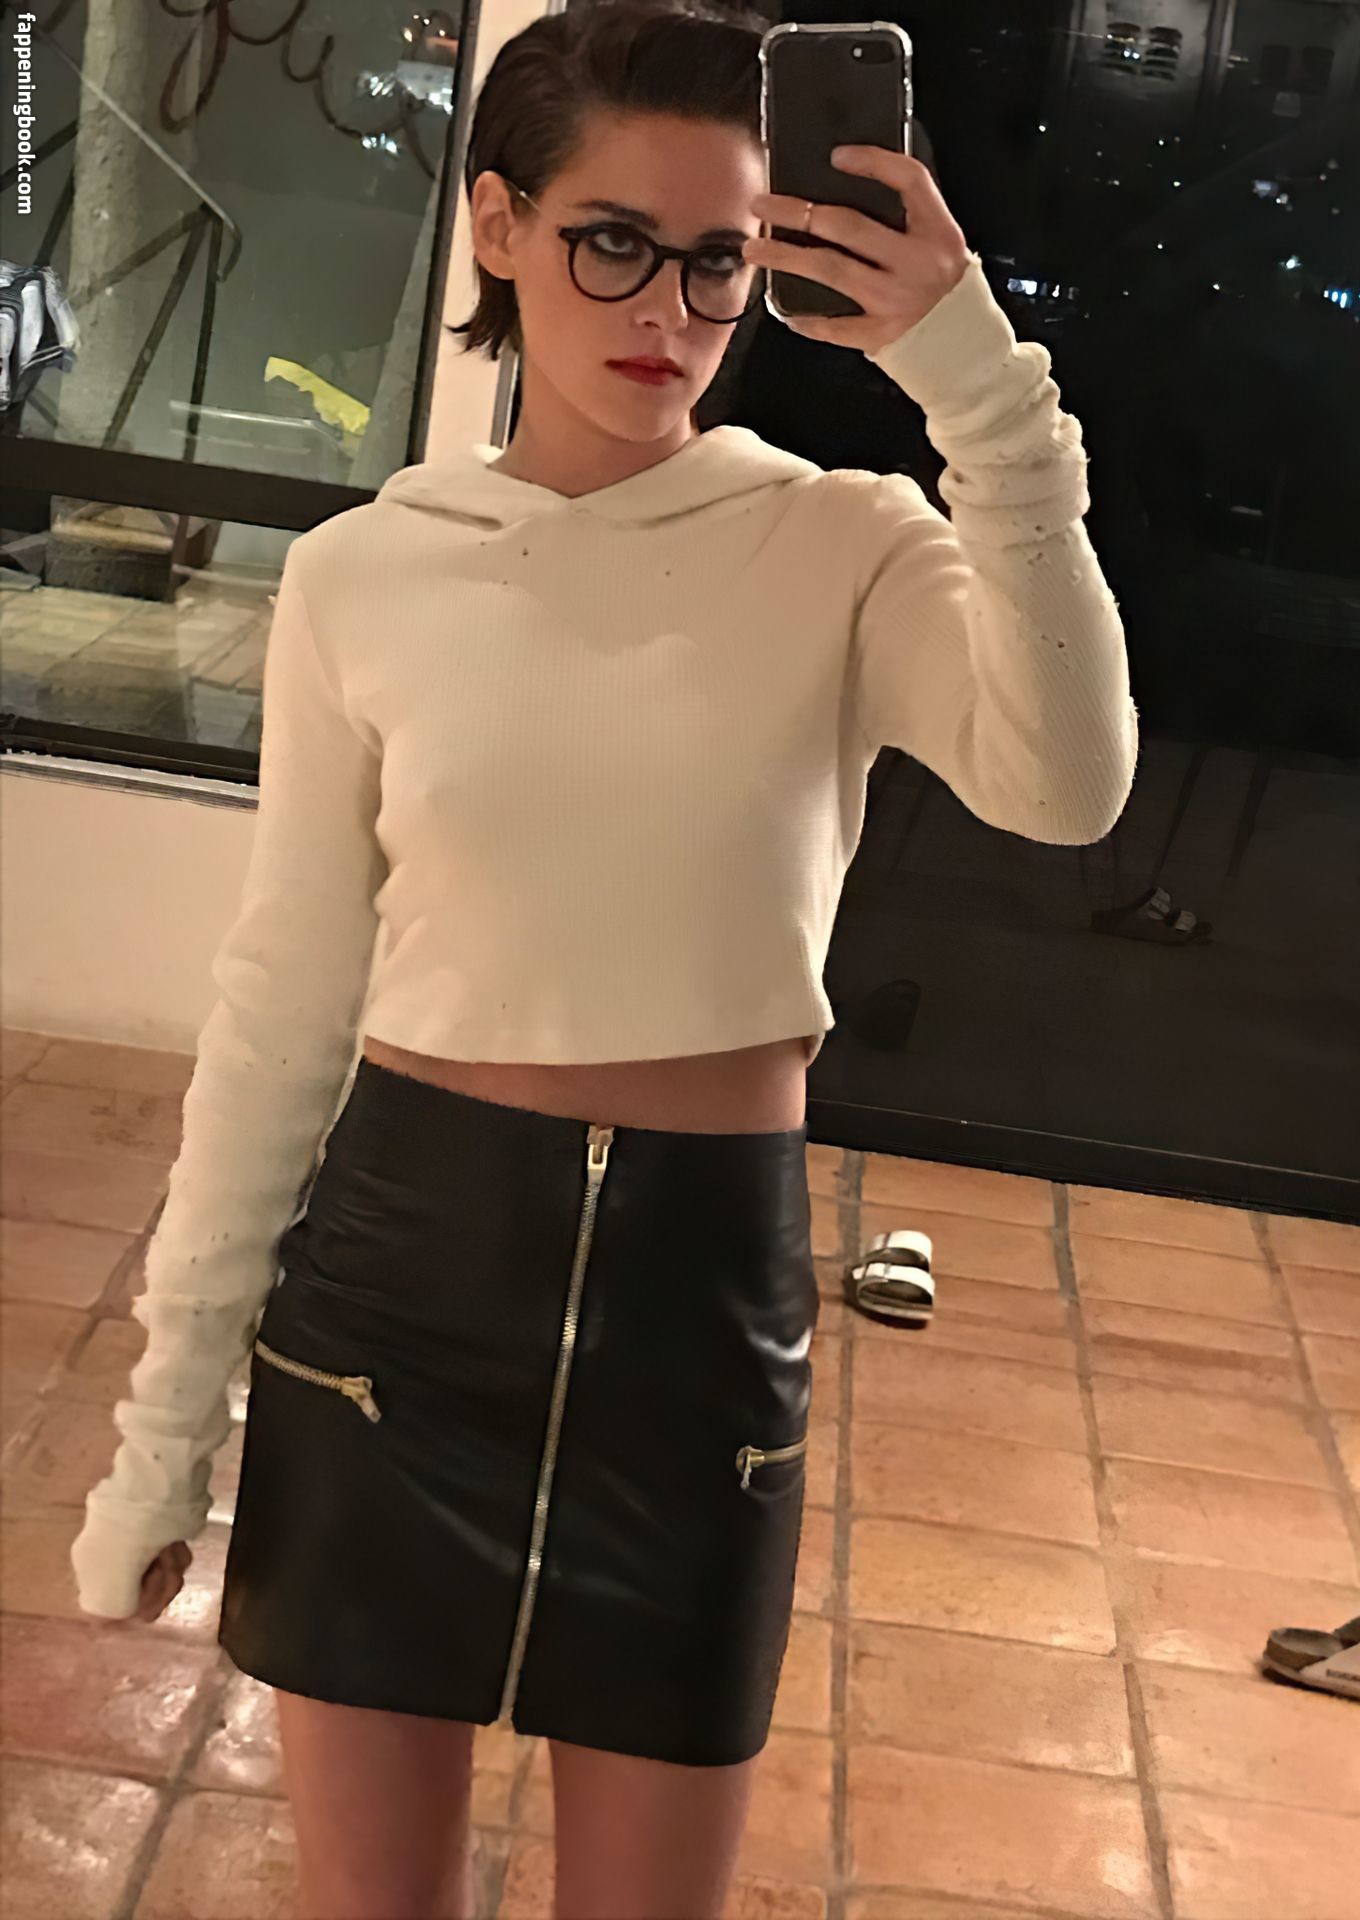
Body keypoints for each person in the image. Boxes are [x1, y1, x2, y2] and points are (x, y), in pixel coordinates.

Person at [67, 2, 1139, 1913]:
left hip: (691, 1323)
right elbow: (284, 1009)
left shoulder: (841, 544)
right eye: (612, 243)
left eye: (719, 258)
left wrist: (980, 389)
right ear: (497, 223)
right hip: (397, 1309)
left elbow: (1066, 784)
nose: (669, 310)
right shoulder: (366, 573)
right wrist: (167, 1427)